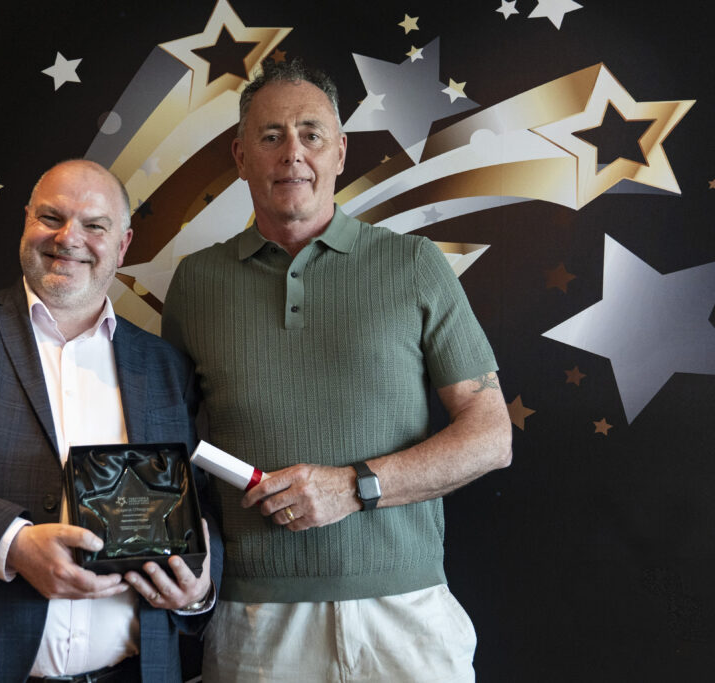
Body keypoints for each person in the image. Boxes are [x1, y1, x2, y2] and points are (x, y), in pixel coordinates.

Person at [161, 59, 512, 682]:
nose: (292, 152)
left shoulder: (414, 264)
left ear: (340, 152)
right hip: (256, 624)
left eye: (311, 134)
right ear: (241, 157)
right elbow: (171, 449)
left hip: (406, 618)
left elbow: (490, 437)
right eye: (271, 136)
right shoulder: (196, 283)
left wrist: (353, 487)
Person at [0, 159, 222, 683]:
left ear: (123, 245)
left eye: (95, 225)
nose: (69, 237)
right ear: (25, 222)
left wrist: (200, 586)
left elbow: (201, 504)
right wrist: (12, 544)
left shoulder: (164, 365)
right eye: (51, 217)